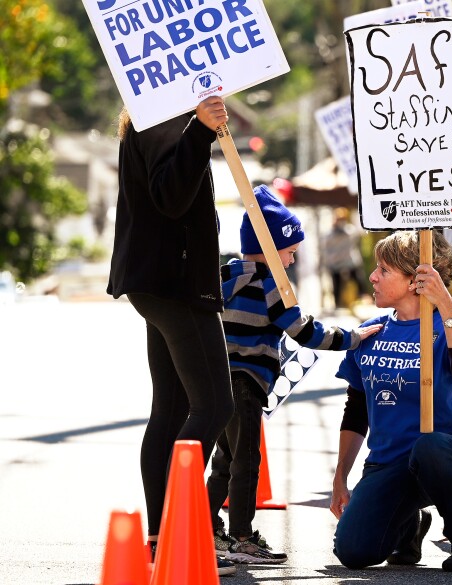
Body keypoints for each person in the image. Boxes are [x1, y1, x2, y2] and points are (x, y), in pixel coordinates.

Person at [206, 185, 382, 565]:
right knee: (246, 461)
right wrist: (350, 338)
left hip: (218, 382)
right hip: (248, 384)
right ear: (273, 247)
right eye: (289, 251)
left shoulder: (224, 275)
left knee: (225, 458)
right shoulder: (272, 284)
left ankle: (208, 527)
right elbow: (303, 331)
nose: (291, 259)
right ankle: (242, 536)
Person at [106, 96, 237, 576]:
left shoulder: (155, 119)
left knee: (173, 409)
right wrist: (200, 132)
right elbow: (170, 195)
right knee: (214, 407)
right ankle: (179, 529)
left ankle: (163, 535)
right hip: (173, 285)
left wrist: (198, 130)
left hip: (159, 282)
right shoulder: (163, 119)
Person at [330, 230, 452, 572]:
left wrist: (445, 304)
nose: (372, 276)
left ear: (414, 279)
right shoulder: (370, 332)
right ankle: (410, 526)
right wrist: (340, 477)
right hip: (390, 463)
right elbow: (356, 412)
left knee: (430, 447)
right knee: (353, 551)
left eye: (384, 270)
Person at [322, 207, 367, 311]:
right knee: (336, 284)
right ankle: (337, 305)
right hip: (336, 262)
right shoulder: (330, 233)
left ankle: (364, 298)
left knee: (358, 280)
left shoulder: (349, 230)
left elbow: (356, 234)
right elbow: (326, 245)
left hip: (349, 261)